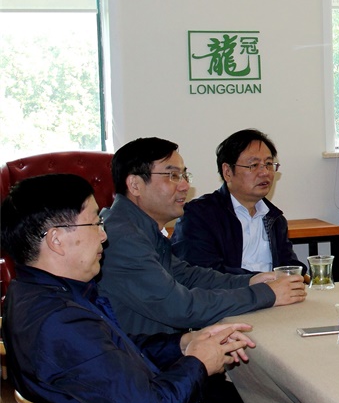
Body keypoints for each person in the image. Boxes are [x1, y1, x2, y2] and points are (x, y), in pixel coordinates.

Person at [0, 174, 339, 403]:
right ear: (56, 240)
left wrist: (184, 343)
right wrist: (199, 361)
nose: (104, 236)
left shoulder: (34, 294)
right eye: (95, 223)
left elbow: (119, 352)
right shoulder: (61, 320)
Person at [97, 137, 306, 337]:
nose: (185, 186)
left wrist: (251, 280)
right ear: (135, 185)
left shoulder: (140, 228)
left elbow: (187, 275)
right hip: (141, 356)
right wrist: (266, 293)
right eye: (173, 176)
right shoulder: (122, 238)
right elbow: (182, 307)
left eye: (184, 176)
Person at [172, 129, 305, 275]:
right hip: (232, 290)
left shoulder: (274, 218)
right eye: (254, 165)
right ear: (227, 172)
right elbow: (203, 273)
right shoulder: (199, 215)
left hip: (273, 289)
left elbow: (288, 265)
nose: (265, 172)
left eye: (268, 164)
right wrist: (265, 280)